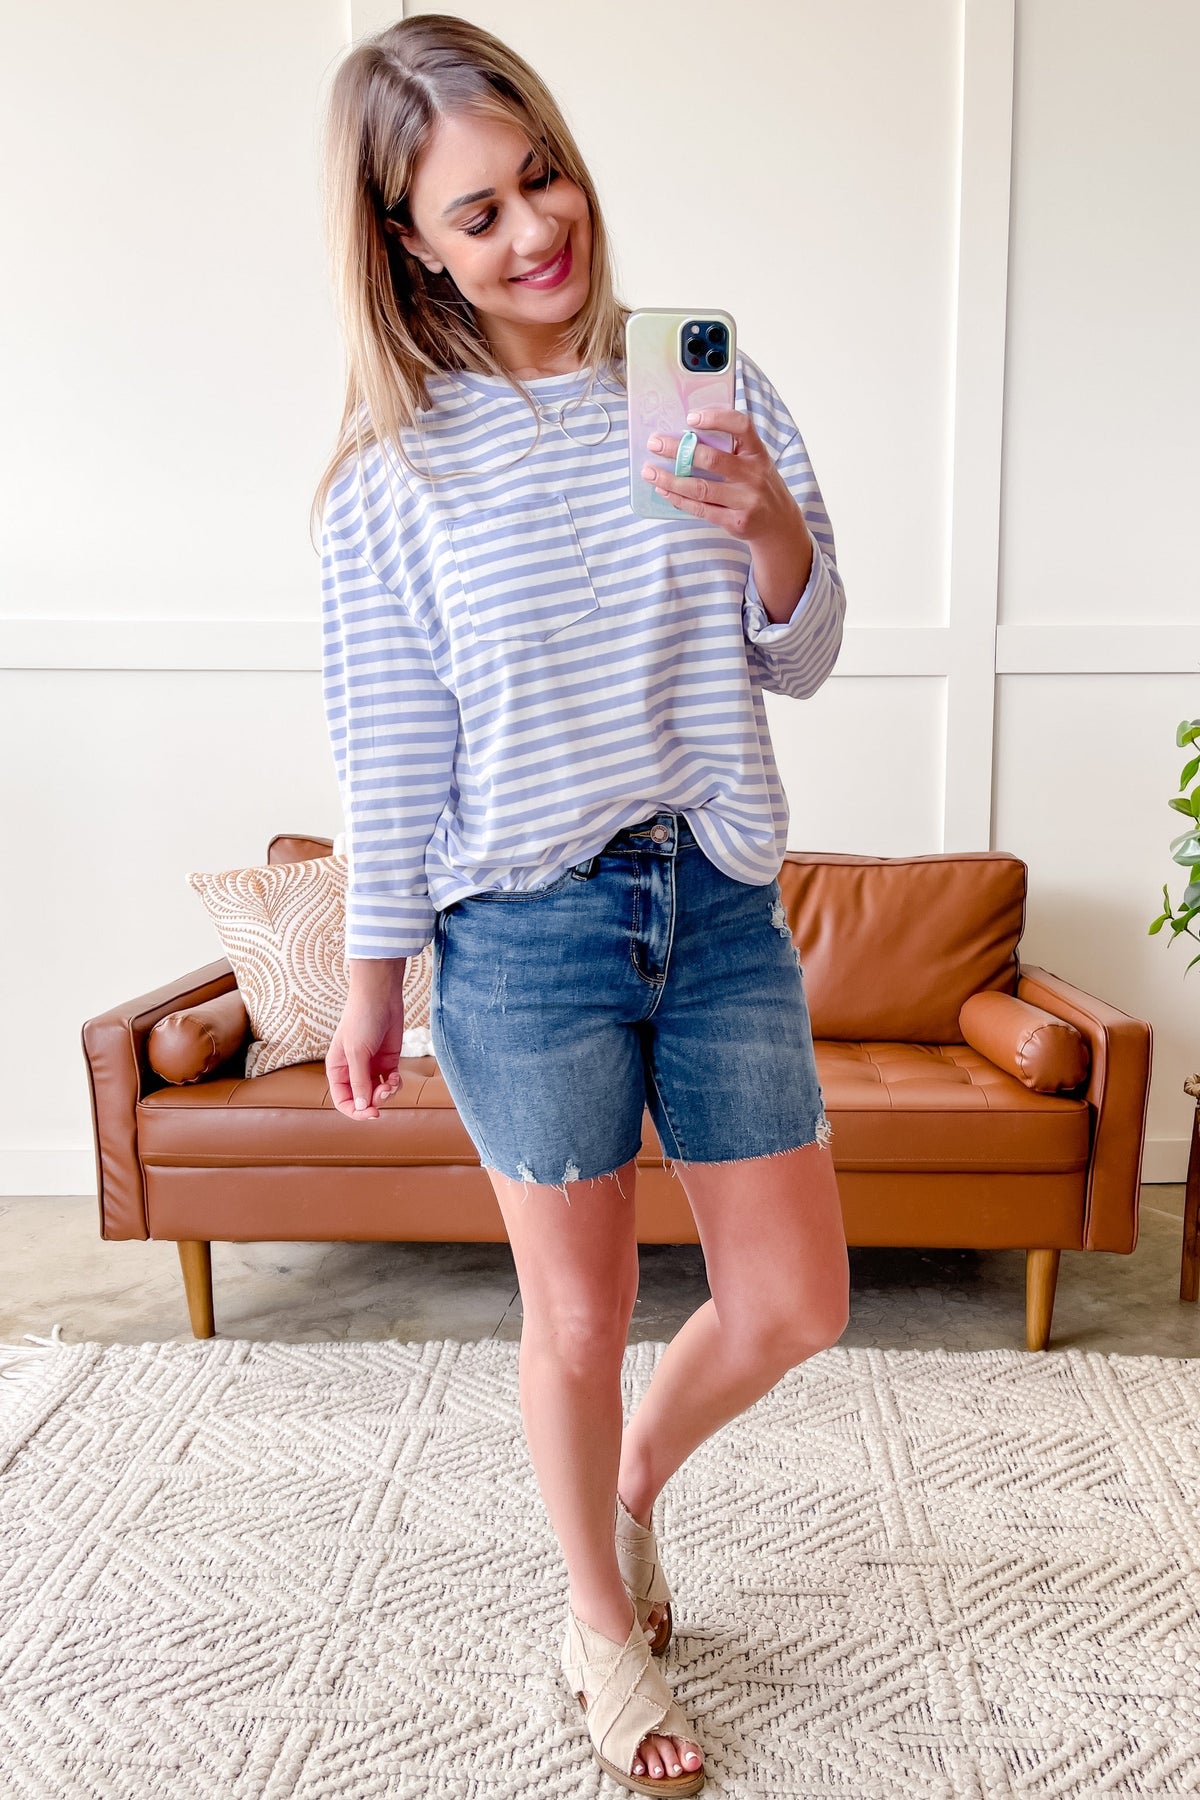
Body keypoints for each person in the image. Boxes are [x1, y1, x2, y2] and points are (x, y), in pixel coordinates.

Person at [314, 15, 850, 1795]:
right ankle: (598, 1628)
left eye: (542, 176)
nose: (537, 229)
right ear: (410, 245)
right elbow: (392, 750)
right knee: (576, 1321)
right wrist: (374, 978)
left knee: (795, 1301)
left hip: (718, 900)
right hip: (524, 934)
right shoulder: (395, 473)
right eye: (477, 214)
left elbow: (804, 652)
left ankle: (625, 1492)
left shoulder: (700, 379)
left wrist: (767, 524)